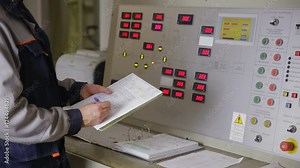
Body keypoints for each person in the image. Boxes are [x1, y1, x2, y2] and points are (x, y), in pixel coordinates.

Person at [0, 0, 112, 167]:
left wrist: (74, 91)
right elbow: (8, 117)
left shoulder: (15, 10)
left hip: (50, 155)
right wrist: (76, 119)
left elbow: (31, 84)